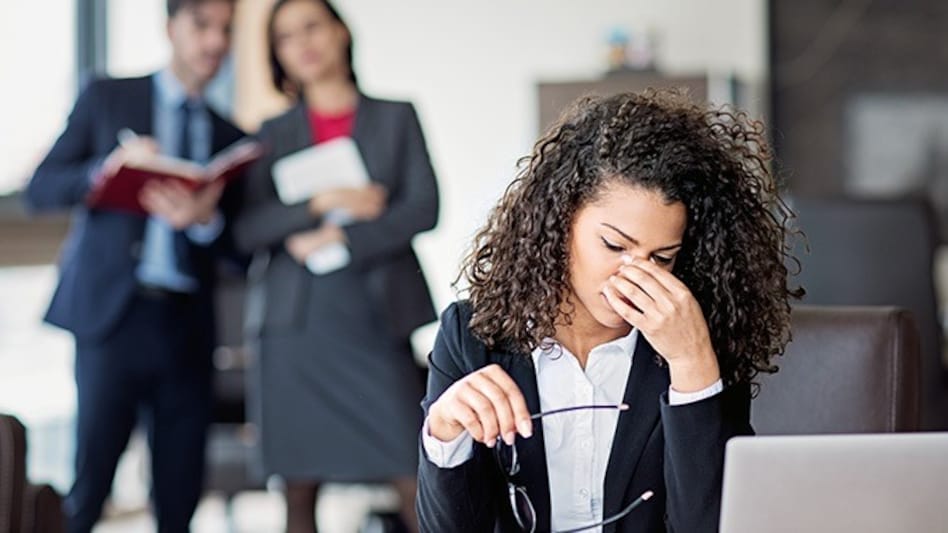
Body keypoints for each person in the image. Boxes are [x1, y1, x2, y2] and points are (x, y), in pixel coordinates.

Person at [417, 89, 801, 533]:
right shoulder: (472, 334)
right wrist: (445, 433)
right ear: (561, 222)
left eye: (662, 258)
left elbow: (711, 524)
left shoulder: (699, 339)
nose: (634, 276)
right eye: (615, 246)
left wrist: (692, 366)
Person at [23, 1, 244, 531]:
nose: (215, 42)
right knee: (91, 483)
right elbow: (41, 189)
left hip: (186, 328)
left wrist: (205, 221)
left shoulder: (229, 136)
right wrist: (104, 172)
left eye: (226, 30)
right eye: (202, 26)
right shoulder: (108, 97)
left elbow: (240, 251)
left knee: (179, 491)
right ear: (170, 28)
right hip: (112, 321)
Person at [231, 1, 438, 532]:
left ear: (341, 31)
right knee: (298, 487)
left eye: (312, 27)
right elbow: (248, 229)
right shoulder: (270, 133)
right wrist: (320, 204)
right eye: (284, 37)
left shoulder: (396, 116)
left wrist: (343, 236)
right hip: (294, 327)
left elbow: (424, 207)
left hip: (373, 316)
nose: (302, 43)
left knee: (413, 471)